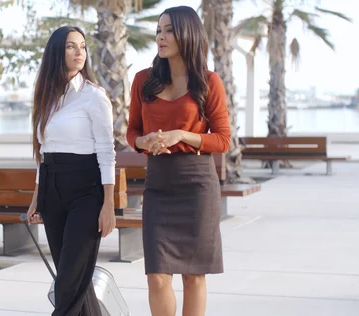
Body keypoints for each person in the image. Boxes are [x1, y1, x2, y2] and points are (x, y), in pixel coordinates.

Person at [126, 6, 231, 316]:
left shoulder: (209, 82)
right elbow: (132, 130)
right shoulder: (143, 80)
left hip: (197, 184)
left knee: (193, 276)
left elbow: (223, 140)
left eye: (169, 29)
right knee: (157, 277)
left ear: (188, 33)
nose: (161, 35)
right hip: (159, 184)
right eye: (159, 29)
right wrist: (142, 142)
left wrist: (181, 136)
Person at [26, 25, 116, 316]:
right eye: (71, 46)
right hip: (52, 190)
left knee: (67, 283)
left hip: (86, 191)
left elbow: (107, 151)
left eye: (82, 46)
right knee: (74, 278)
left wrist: (109, 204)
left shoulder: (94, 96)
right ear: (56, 52)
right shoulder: (45, 98)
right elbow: (43, 151)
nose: (80, 52)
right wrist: (37, 197)